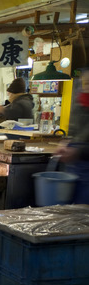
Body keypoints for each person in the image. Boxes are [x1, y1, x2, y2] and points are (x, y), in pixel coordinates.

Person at [56, 69, 89, 203]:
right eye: (85, 84)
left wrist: (79, 152)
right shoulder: (81, 102)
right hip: (75, 168)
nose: (87, 88)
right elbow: (74, 130)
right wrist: (65, 143)